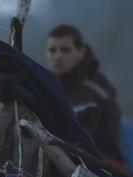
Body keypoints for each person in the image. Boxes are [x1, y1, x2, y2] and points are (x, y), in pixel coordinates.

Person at [46, 24, 126, 168]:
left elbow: (109, 147)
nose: (57, 56)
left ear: (81, 52)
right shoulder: (45, 89)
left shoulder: (98, 96)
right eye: (52, 50)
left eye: (65, 50)